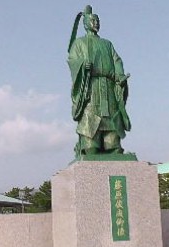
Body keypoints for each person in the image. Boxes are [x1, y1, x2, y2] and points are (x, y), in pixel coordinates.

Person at [67, 5, 131, 158]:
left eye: (97, 20)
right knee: (90, 116)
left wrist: (119, 75)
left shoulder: (107, 44)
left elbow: (117, 61)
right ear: (85, 23)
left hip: (108, 86)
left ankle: (112, 145)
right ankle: (90, 146)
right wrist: (83, 65)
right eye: (92, 20)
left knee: (111, 117)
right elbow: (72, 60)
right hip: (90, 86)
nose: (96, 23)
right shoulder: (79, 43)